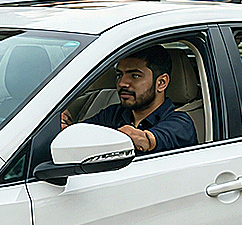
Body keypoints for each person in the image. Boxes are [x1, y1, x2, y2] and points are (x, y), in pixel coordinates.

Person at [60, 46, 197, 154]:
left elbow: (147, 140)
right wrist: (63, 126)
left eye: (135, 76)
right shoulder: (113, 114)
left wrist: (135, 137)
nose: (122, 83)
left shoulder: (180, 123)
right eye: (120, 74)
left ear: (161, 82)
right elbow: (77, 135)